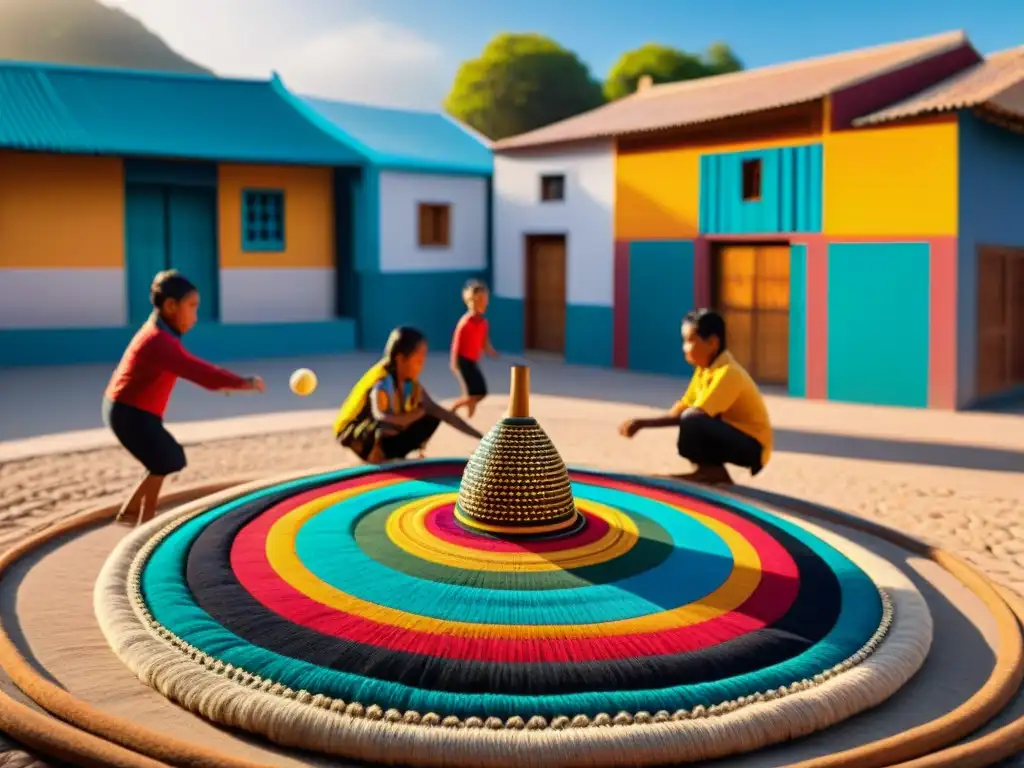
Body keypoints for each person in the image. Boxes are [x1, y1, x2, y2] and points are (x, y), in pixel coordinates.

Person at [103, 270, 264, 525]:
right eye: (191, 307)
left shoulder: (159, 333)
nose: (195, 316)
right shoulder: (158, 340)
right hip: (129, 413)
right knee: (167, 459)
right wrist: (244, 383)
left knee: (163, 460)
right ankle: (141, 520)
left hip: (134, 411)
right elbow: (200, 372)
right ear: (170, 306)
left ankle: (135, 514)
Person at [618, 308, 772, 486]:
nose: (684, 348)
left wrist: (644, 424)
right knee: (691, 419)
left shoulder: (728, 373)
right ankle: (713, 472)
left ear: (712, 343)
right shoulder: (704, 371)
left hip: (754, 448)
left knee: (693, 421)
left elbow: (696, 416)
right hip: (733, 436)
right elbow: (682, 409)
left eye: (690, 341)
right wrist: (641, 422)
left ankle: (710, 473)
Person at [335, 326, 484, 463]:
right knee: (387, 426)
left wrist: (483, 439)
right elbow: (380, 416)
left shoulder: (411, 384)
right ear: (401, 359)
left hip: (387, 429)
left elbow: (443, 414)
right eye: (418, 359)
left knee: (431, 416)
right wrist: (411, 417)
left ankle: (391, 455)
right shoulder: (381, 382)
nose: (422, 365)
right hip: (354, 434)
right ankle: (375, 458)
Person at [450, 279, 498, 418]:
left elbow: (484, 342)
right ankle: (454, 409)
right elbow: (456, 343)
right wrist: (454, 362)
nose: (483, 304)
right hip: (463, 361)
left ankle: (468, 416)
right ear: (471, 301)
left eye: (485, 301)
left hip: (473, 361)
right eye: (479, 301)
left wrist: (492, 352)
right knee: (475, 393)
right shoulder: (465, 322)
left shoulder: (483, 323)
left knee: (478, 392)